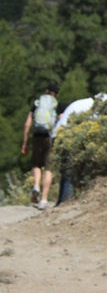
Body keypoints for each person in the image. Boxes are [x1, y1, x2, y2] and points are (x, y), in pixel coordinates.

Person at [52, 93, 107, 205]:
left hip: (57, 136)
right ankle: (66, 202)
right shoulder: (92, 107)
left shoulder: (82, 103)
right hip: (67, 137)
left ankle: (61, 202)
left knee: (66, 172)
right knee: (71, 170)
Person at [22, 82, 62, 210]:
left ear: (46, 91)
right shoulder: (57, 105)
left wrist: (25, 143)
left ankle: (36, 186)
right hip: (50, 138)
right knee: (49, 169)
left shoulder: (37, 103)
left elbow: (27, 124)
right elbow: (62, 121)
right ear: (56, 94)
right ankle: (44, 200)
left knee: (37, 165)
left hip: (37, 136)